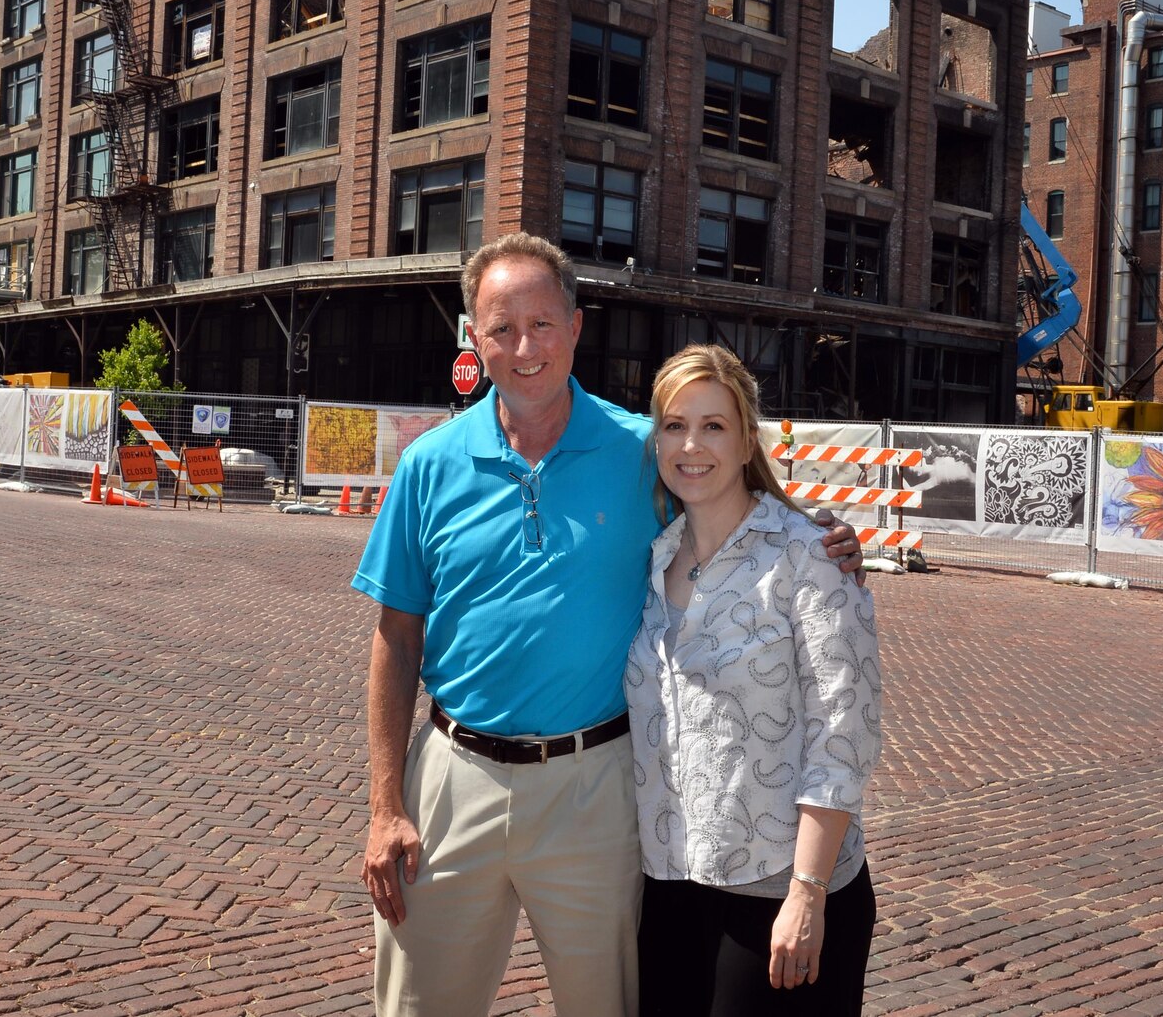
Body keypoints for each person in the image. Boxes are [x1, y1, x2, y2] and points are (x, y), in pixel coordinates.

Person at [353, 233, 862, 1017]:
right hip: (453, 777)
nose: (525, 347)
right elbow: (396, 637)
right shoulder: (429, 464)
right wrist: (387, 803)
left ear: (578, 326)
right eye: (501, 327)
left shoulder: (642, 451)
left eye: (543, 323)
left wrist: (823, 535)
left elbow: (731, 489)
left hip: (597, 783)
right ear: (473, 338)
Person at [625, 344, 881, 1017]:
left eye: (713, 425)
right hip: (671, 883)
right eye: (675, 425)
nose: (691, 444)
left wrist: (807, 891)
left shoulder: (809, 554)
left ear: (746, 439)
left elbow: (843, 735)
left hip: (777, 889)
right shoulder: (653, 557)